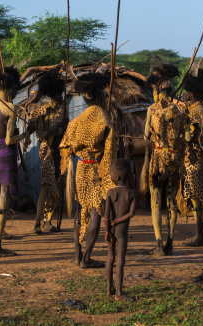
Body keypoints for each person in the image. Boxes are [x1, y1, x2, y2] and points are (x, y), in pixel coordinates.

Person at [60, 70, 117, 269]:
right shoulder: (103, 118)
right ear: (98, 96)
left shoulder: (77, 121)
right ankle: (87, 258)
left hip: (80, 169)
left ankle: (77, 254)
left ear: (85, 98)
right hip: (96, 170)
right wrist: (109, 177)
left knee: (79, 210)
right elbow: (110, 151)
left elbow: (65, 147)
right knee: (95, 212)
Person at [0, 68, 35, 258]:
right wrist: (27, 133)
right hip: (5, 153)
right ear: (10, 89)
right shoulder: (11, 108)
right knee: (3, 198)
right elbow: (10, 140)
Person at [143, 65, 186, 256]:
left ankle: (158, 243)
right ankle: (170, 243)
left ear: (158, 92)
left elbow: (146, 136)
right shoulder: (181, 110)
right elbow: (185, 137)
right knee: (172, 202)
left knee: (155, 201)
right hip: (175, 159)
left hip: (158, 159)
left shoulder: (152, 109)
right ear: (171, 92)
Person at [24, 69, 68, 234]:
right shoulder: (42, 112)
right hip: (47, 152)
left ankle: (48, 221)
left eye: (61, 94)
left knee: (58, 186)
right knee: (46, 186)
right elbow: (41, 133)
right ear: (52, 95)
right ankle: (37, 223)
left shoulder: (64, 109)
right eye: (58, 94)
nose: (61, 97)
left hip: (61, 154)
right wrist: (58, 125)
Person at [181, 67, 203, 247]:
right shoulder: (198, 109)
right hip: (195, 154)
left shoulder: (197, 111)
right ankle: (202, 234)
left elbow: (194, 133)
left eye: (186, 91)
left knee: (195, 194)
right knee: (195, 194)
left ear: (192, 94)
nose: (184, 94)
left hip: (193, 157)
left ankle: (199, 235)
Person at [105, 158, 136, 301]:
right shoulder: (131, 193)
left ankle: (109, 289)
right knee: (120, 259)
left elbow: (106, 216)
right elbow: (131, 214)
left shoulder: (110, 193)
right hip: (122, 231)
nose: (110, 176)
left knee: (110, 258)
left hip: (110, 229)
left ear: (116, 177)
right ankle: (119, 292)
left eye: (110, 173)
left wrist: (106, 230)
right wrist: (118, 221)